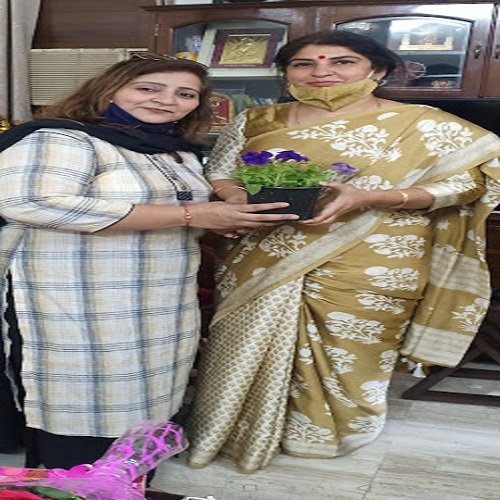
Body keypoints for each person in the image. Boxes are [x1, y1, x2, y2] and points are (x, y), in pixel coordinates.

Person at [186, 30, 500, 473]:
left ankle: (328, 432)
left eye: (342, 62)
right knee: (246, 340)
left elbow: (468, 184)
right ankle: (238, 426)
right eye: (303, 64)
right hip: (264, 251)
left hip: (374, 256)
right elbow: (221, 171)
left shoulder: (426, 124)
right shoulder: (256, 119)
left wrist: (373, 197)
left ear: (377, 70)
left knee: (351, 347)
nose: (322, 73)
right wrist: (236, 198)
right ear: (287, 73)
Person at [0, 53, 299, 469]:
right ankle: (75, 482)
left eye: (185, 94)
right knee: (83, 390)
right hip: (73, 297)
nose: (167, 100)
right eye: (148, 88)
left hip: (160, 297)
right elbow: (28, 202)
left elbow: (178, 210)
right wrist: (192, 215)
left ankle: (130, 476)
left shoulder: (176, 151)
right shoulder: (64, 139)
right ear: (108, 90)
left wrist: (218, 222)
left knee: (148, 388)